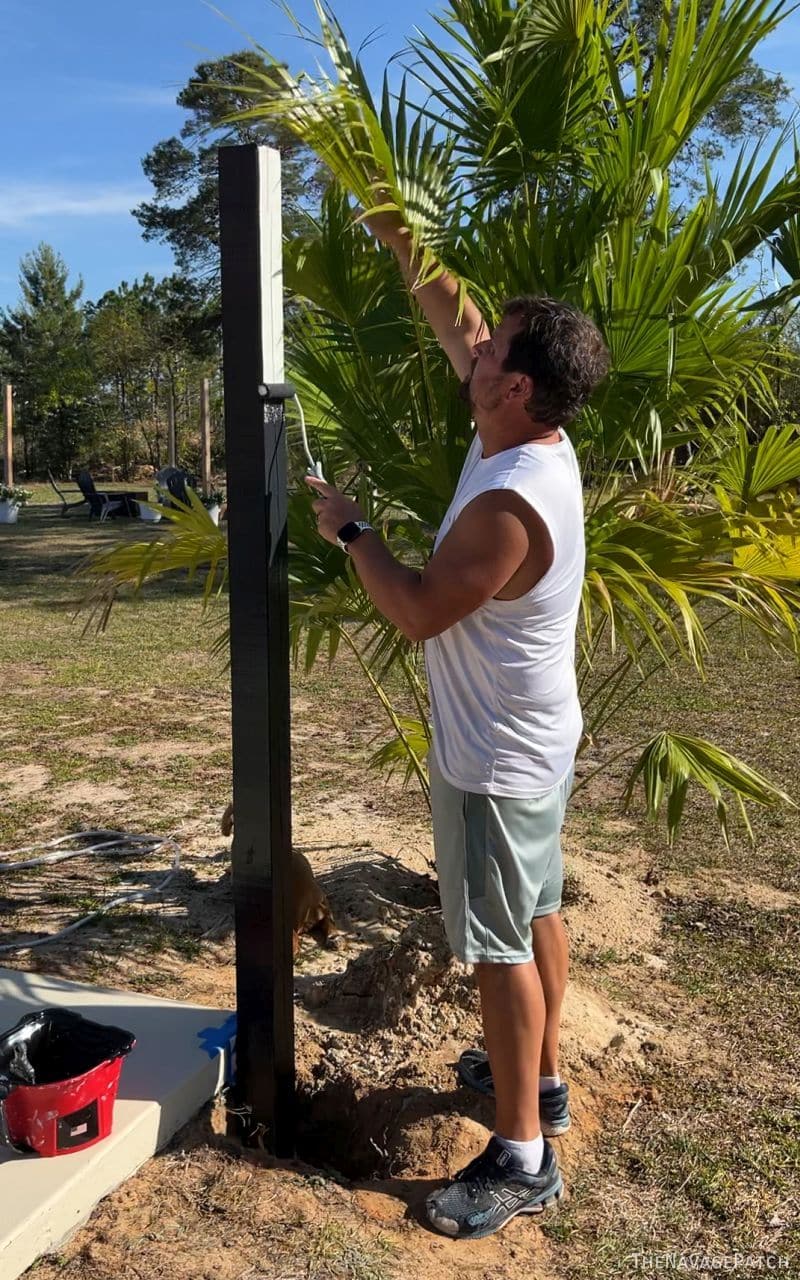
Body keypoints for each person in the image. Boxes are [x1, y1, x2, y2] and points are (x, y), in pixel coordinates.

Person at [305, 210, 610, 1241]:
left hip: (492, 756)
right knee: (535, 909)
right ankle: (545, 1076)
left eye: (492, 347)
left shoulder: (507, 501)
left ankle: (522, 1151)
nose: (472, 344)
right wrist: (402, 247)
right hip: (533, 736)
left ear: (514, 385)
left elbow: (417, 607)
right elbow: (459, 317)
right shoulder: (523, 432)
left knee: (497, 945)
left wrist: (350, 528)